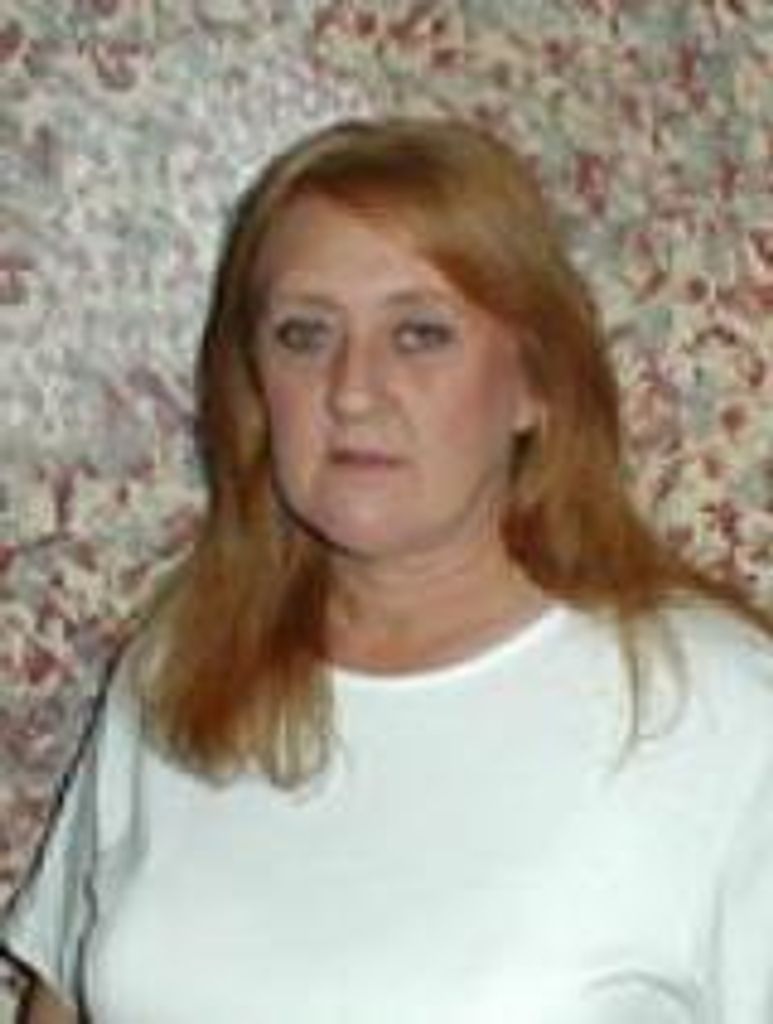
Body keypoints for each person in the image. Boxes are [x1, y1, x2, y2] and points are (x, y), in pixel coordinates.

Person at [2, 115, 773, 1023]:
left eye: (419, 334)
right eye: (303, 334)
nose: (353, 390)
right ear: (255, 387)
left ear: (534, 384)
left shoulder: (720, 709)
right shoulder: (186, 667)